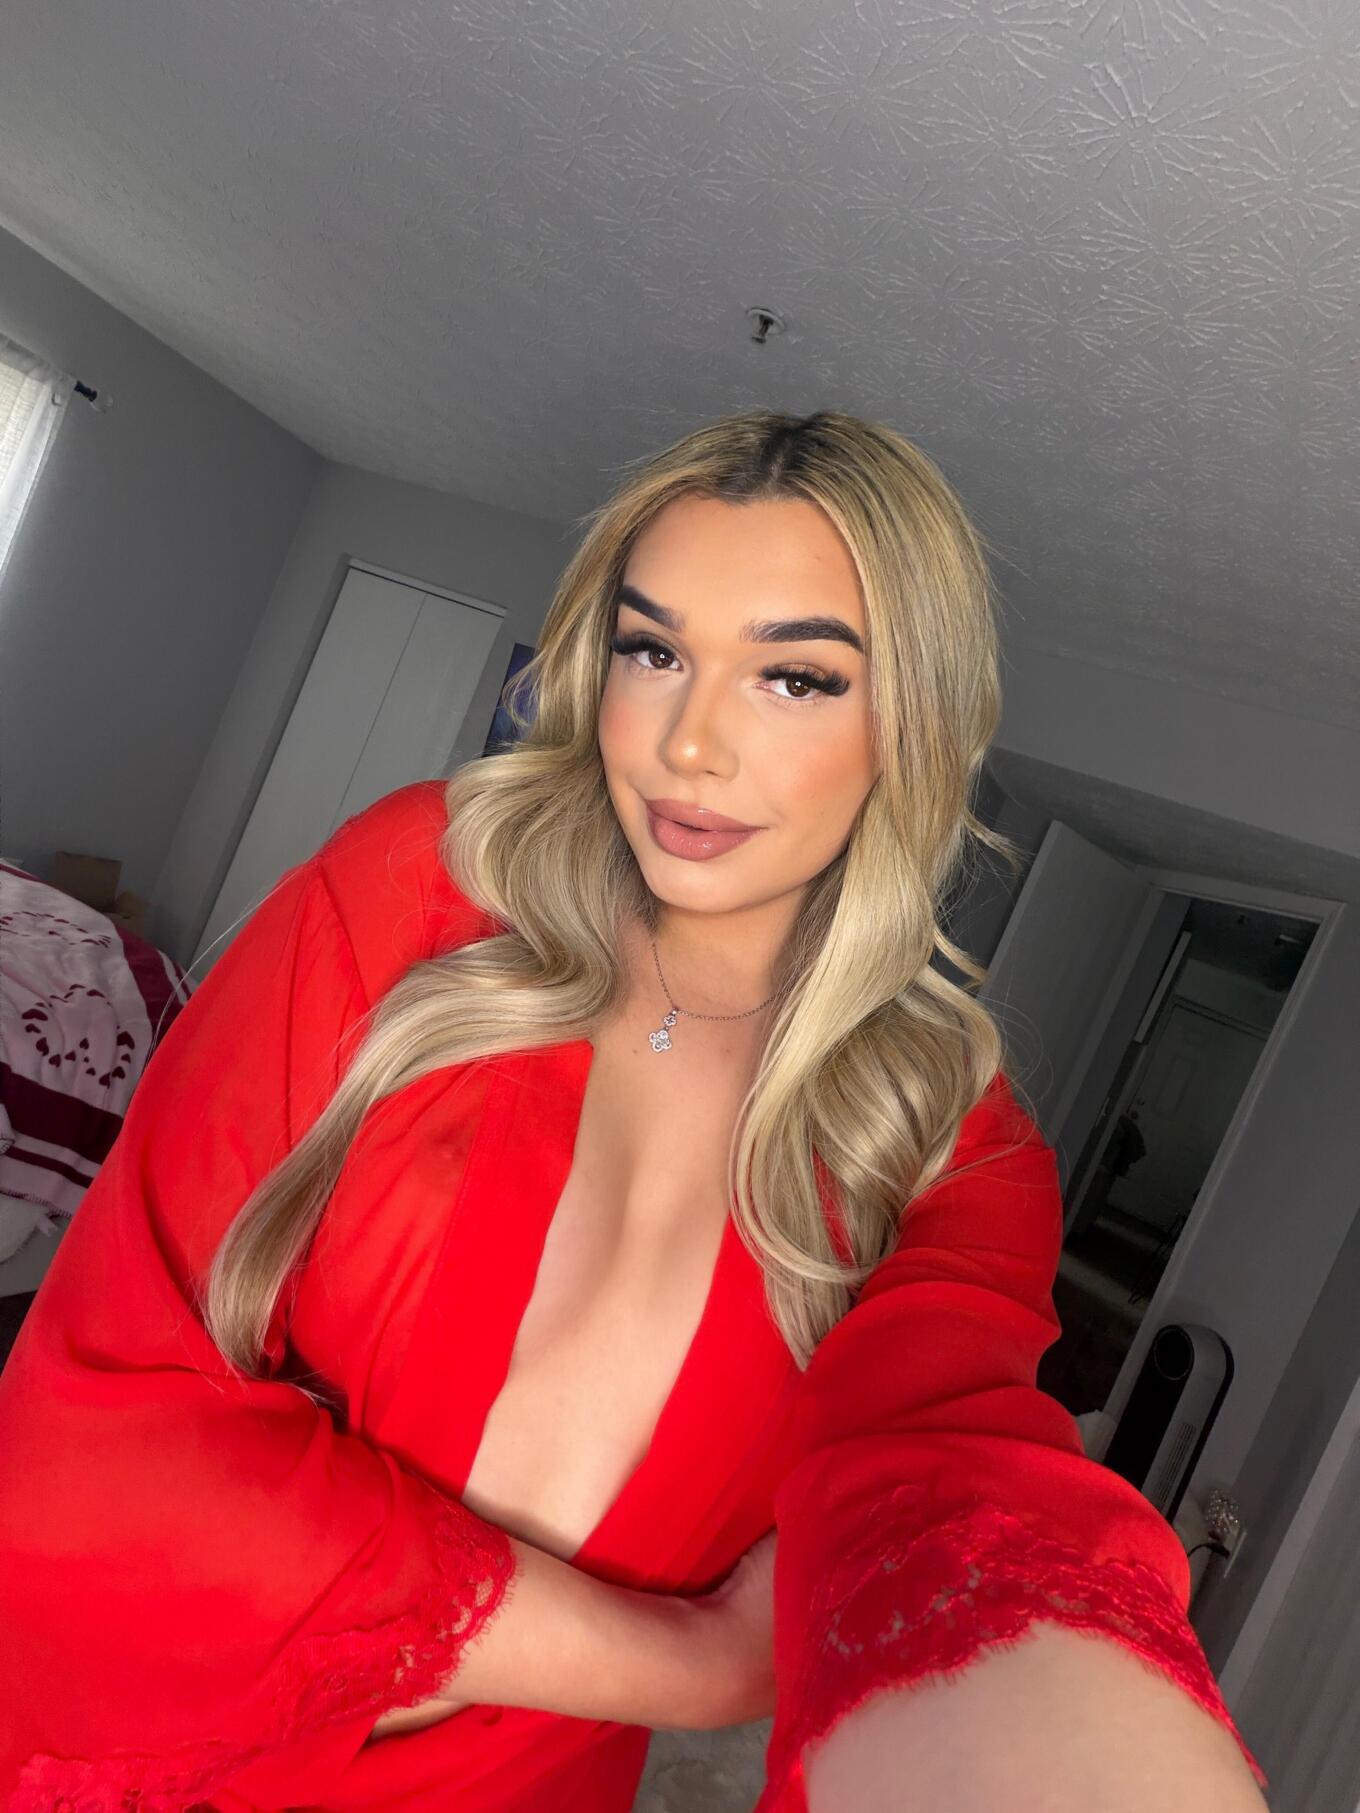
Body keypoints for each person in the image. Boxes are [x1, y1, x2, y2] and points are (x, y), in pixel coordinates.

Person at [0, 409, 1268, 1811]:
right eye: (653, 651)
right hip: (107, 1753)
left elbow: (965, 1524)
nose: (689, 743)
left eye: (794, 677)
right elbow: (85, 1442)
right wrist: (695, 1666)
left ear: (910, 725)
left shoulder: (943, 1144)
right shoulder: (417, 892)